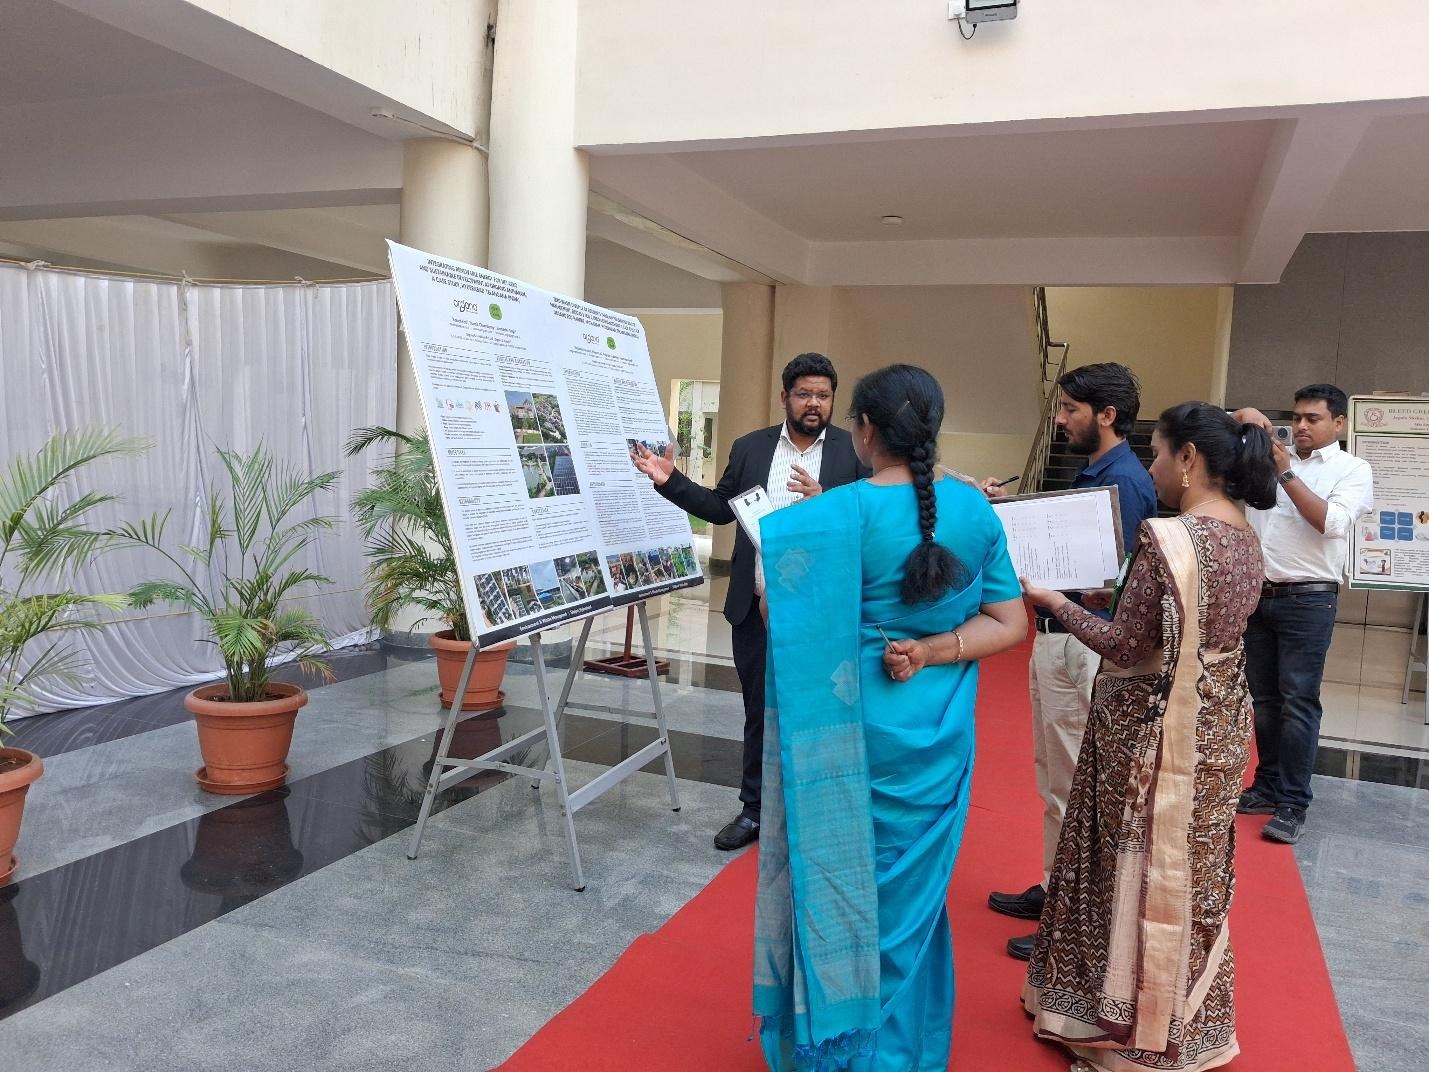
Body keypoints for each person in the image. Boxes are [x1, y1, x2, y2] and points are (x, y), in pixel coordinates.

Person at [753, 364, 1026, 1071]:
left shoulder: (829, 515)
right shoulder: (973, 512)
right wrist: (935, 648)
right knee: (914, 894)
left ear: (865, 430)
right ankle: (901, 1046)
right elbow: (1009, 622)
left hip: (843, 730)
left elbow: (774, 613)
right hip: (934, 726)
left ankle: (838, 1043)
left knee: (838, 878)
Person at [1019, 402, 1275, 1072]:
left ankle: (1117, 1025)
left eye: (1158, 455)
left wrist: (1053, 603)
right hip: (1215, 732)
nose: (1153, 469)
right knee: (1191, 873)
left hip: (1148, 734)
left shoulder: (1169, 538)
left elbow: (1124, 642)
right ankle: (1191, 1022)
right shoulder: (1246, 538)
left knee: (1123, 868)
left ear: (1188, 459)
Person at [632, 352, 868, 851]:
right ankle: (755, 810)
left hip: (822, 610)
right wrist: (669, 480)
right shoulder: (751, 448)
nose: (814, 403)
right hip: (756, 604)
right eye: (804, 393)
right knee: (759, 709)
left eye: (823, 395)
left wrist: (824, 500)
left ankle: (813, 811)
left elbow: (868, 523)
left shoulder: (853, 454)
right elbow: (721, 509)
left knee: (822, 709)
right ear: (785, 397)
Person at [983, 362, 1159, 960]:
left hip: (1085, 645)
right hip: (1062, 635)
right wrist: (1011, 510)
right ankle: (1056, 886)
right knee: (1054, 774)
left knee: (1077, 783)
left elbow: (1117, 583)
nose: (1059, 421)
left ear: (1106, 415)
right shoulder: (1097, 474)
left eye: (1069, 410)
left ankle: (1073, 915)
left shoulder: (1126, 483)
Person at [1232, 385, 1373, 844]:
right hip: (1260, 596)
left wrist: (1287, 473)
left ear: (1339, 424)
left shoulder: (1352, 469)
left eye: (1314, 418)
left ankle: (1294, 802)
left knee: (1298, 701)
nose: (1303, 426)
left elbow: (1330, 523)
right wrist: (1244, 420)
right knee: (1265, 701)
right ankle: (1268, 786)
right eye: (1297, 417)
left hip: (1309, 600)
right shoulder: (1271, 458)